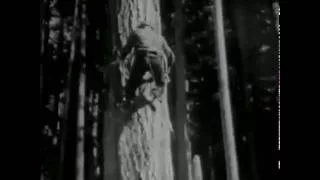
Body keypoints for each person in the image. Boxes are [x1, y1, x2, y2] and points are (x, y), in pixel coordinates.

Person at [120, 23, 175, 103]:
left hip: (142, 57)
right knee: (160, 84)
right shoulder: (159, 37)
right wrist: (167, 70)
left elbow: (127, 48)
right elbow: (171, 56)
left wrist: (121, 58)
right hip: (156, 60)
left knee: (132, 84)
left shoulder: (136, 32)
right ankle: (156, 93)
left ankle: (128, 100)